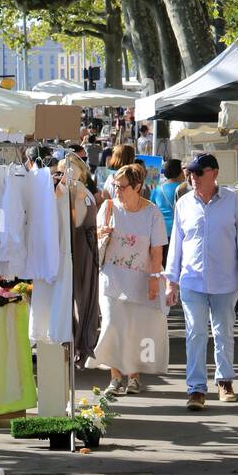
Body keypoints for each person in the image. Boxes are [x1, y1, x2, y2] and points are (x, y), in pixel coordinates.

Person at [165, 154, 238, 410]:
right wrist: (170, 281)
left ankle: (224, 380)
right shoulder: (183, 203)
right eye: (190, 173)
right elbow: (177, 244)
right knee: (195, 333)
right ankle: (196, 388)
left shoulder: (233, 201)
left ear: (214, 173)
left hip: (226, 280)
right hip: (192, 280)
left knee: (223, 332)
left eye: (198, 172)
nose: (192, 178)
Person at [87, 163, 168, 396]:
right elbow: (94, 238)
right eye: (115, 186)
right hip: (112, 278)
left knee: (135, 329)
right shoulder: (109, 208)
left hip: (141, 278)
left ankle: (133, 376)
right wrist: (100, 234)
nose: (117, 190)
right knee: (113, 325)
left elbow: (156, 251)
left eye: (121, 187)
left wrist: (154, 279)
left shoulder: (151, 212)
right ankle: (115, 377)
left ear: (137, 187)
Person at [153, 159, 183, 238]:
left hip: (160, 230)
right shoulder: (183, 189)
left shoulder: (157, 189)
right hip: (178, 230)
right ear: (179, 172)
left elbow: (151, 207)